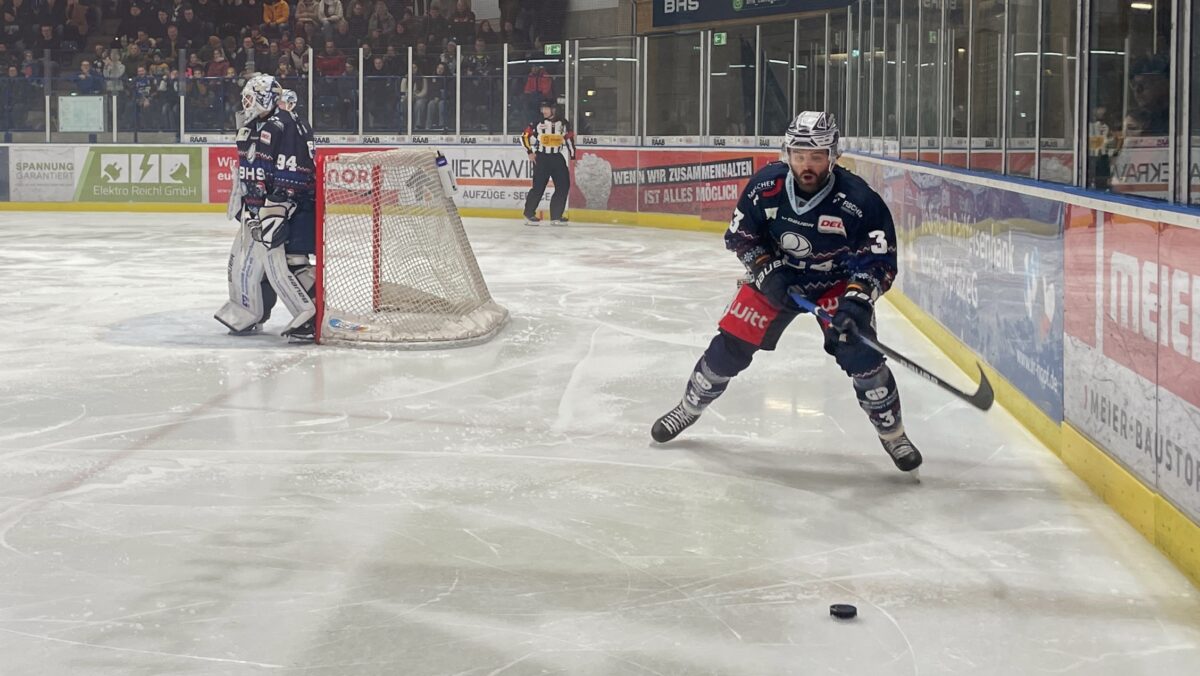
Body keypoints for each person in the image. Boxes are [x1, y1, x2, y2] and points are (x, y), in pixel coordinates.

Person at [649, 111, 922, 474]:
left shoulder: (859, 201)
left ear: (833, 156)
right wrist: (765, 270)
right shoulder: (766, 187)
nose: (806, 165)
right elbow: (741, 236)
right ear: (786, 153)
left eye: (816, 156)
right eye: (799, 155)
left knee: (861, 354)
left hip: (836, 283)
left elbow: (877, 261)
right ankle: (689, 407)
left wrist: (856, 301)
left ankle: (894, 434)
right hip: (779, 277)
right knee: (729, 347)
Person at [214, 73, 319, 341]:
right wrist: (243, 200)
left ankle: (312, 316)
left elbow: (294, 168)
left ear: (264, 97)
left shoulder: (285, 124)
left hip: (292, 208)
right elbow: (247, 168)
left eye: (250, 98)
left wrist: (278, 205)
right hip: (259, 208)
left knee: (290, 262)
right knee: (247, 263)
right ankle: (250, 311)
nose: (246, 104)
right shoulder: (254, 127)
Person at [520, 98, 574, 226]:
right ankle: (529, 214)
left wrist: (573, 156)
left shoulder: (564, 124)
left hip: (557, 157)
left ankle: (556, 216)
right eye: (542, 108)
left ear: (554, 109)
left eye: (546, 108)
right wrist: (530, 152)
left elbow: (569, 140)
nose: (543, 111)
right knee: (538, 187)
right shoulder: (537, 123)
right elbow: (524, 136)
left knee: (563, 186)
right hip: (542, 158)